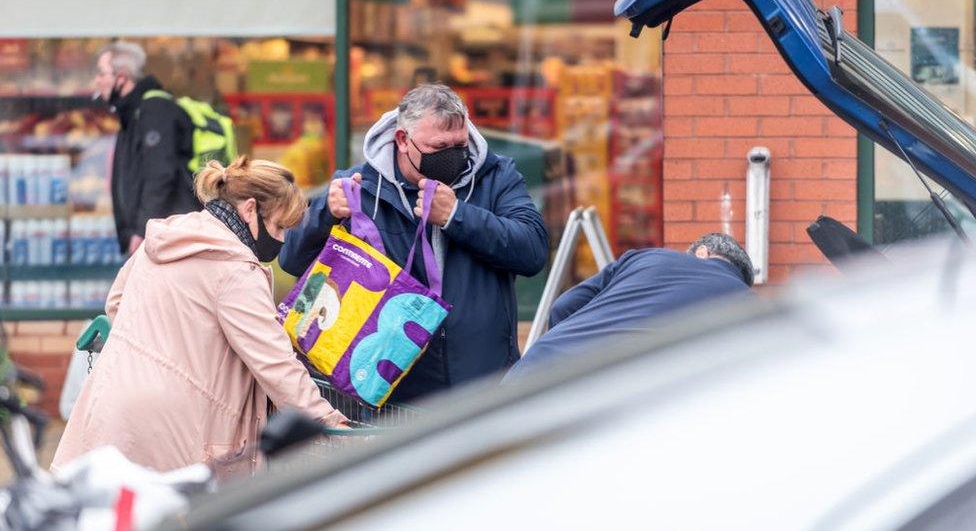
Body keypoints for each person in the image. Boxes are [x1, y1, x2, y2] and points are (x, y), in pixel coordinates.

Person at [52, 156, 347, 476]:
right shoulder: (236, 272)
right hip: (175, 428)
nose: (280, 239)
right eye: (278, 226)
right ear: (250, 210)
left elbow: (117, 303)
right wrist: (329, 422)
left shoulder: (167, 236)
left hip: (112, 407)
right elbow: (275, 363)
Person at [279, 84, 549, 401]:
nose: (453, 156)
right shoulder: (360, 186)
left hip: (480, 381)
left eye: (459, 145)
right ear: (403, 140)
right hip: (389, 385)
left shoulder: (496, 177)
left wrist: (457, 216)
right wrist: (325, 213)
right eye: (438, 148)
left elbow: (532, 250)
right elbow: (291, 259)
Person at [504, 233, 755, 382]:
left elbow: (563, 305)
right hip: (596, 393)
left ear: (702, 252)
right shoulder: (747, 305)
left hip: (534, 370)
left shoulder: (645, 257)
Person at [93, 41, 198, 256]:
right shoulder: (132, 113)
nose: (97, 80)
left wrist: (141, 232)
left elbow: (160, 175)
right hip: (153, 239)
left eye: (102, 73)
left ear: (121, 76)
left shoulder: (154, 111)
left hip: (164, 242)